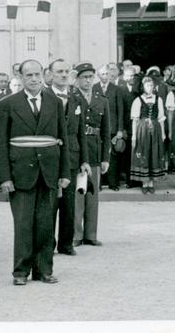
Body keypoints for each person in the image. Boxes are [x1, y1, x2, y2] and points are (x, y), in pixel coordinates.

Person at [0, 60, 71, 286]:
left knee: (46, 224)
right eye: (28, 75)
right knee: (23, 224)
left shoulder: (55, 102)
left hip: (48, 172)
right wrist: (4, 177)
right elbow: (0, 144)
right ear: (20, 77)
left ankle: (44, 270)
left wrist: (64, 172)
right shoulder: (7, 104)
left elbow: (62, 139)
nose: (34, 79)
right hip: (20, 174)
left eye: (37, 74)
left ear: (44, 75)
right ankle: (20, 272)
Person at [45, 59, 83, 257]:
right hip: (51, 155)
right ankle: (48, 244)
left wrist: (84, 159)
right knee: (50, 203)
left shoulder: (76, 98)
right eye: (59, 71)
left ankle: (66, 244)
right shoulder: (44, 96)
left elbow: (80, 133)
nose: (63, 75)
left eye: (66, 71)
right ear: (50, 74)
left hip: (72, 156)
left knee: (69, 203)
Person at [70, 62, 109, 247]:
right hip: (77, 150)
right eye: (84, 77)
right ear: (77, 79)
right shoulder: (72, 98)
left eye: (90, 77)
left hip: (94, 149)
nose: (88, 80)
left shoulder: (102, 100)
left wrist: (105, 158)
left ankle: (91, 234)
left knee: (93, 195)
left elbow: (106, 131)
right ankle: (76, 234)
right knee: (78, 194)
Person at [130, 77, 167, 194]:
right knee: (144, 153)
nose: (149, 88)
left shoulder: (158, 99)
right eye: (147, 86)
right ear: (143, 87)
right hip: (142, 130)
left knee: (153, 153)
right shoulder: (138, 100)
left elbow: (161, 118)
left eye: (151, 86)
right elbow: (135, 120)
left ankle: (151, 182)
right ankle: (144, 182)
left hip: (155, 129)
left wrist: (163, 133)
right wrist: (134, 136)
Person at [94, 64, 124, 191]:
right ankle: (98, 184)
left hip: (112, 128)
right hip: (98, 127)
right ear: (98, 75)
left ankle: (113, 183)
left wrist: (120, 129)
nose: (105, 76)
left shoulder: (116, 89)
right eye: (102, 74)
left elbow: (120, 110)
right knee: (98, 155)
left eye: (107, 74)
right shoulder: (94, 88)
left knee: (113, 157)